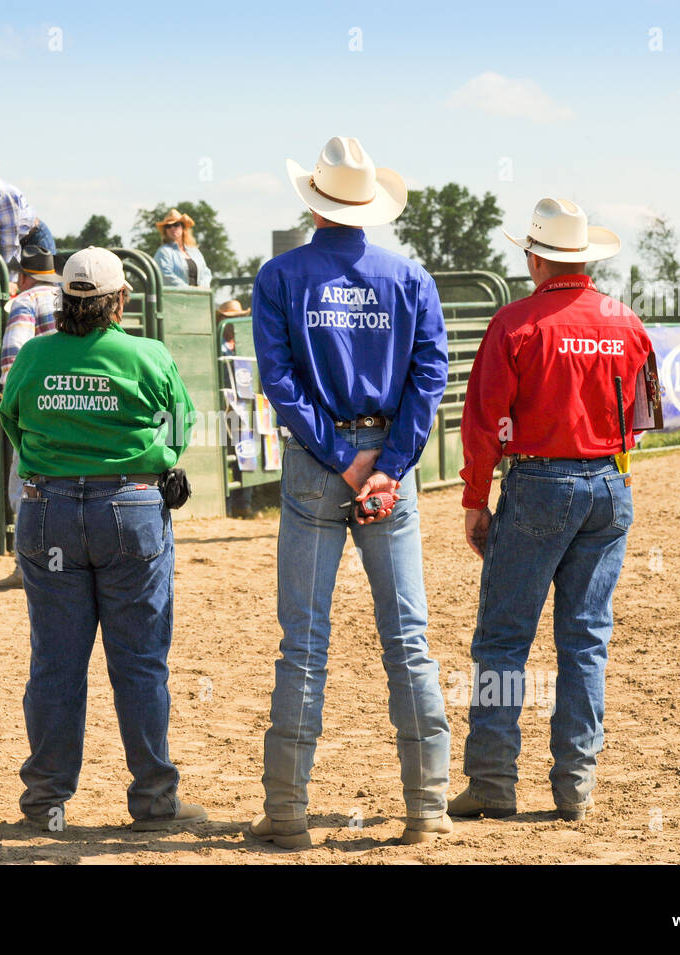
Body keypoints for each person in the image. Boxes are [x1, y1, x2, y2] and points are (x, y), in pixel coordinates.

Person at [248, 136, 452, 849]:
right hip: (390, 460)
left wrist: (342, 458)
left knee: (303, 643)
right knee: (409, 642)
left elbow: (281, 382)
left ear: (313, 200)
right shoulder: (410, 279)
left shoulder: (278, 277)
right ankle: (427, 807)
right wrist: (389, 464)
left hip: (315, 465)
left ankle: (288, 811)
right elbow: (429, 378)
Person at [452, 198, 653, 822]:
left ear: (537, 257)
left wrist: (475, 499)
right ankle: (575, 786)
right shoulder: (627, 322)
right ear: (586, 258)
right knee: (586, 640)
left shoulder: (515, 323)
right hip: (609, 485)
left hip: (538, 483)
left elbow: (483, 423)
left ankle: (491, 781)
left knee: (504, 640)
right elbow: (644, 418)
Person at [0, 246, 205, 833]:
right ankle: (154, 801)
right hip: (131, 511)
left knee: (56, 663)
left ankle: (45, 803)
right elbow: (181, 426)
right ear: (121, 300)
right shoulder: (147, 353)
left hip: (47, 511)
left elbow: (13, 422)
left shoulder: (35, 354)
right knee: (139, 662)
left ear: (65, 299)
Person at [0, 246, 62, 591]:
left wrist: (11, 398)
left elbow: (13, 355)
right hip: (73, 403)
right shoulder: (68, 298)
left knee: (25, 485)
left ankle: (26, 565)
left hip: (37, 405)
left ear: (23, 276)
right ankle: (59, 561)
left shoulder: (25, 301)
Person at [216, 299, 253, 518]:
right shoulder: (217, 343)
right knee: (225, 456)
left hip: (242, 404)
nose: (233, 322)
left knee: (245, 452)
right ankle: (228, 506)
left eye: (237, 318)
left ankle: (244, 505)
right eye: (229, 318)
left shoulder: (244, 343)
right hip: (222, 403)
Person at [153, 209, 212, 288]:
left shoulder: (195, 251)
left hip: (199, 297)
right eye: (168, 226)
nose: (172, 228)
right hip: (175, 298)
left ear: (183, 228)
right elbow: (165, 275)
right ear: (165, 231)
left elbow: (206, 272)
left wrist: (202, 287)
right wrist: (188, 290)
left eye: (176, 224)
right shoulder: (163, 252)